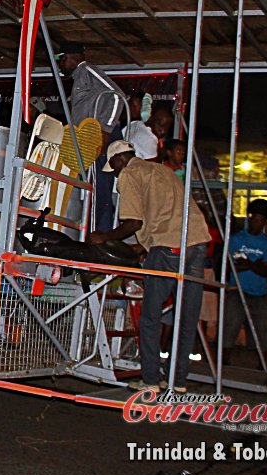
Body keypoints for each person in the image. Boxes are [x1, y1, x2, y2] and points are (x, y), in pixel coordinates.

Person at [88, 139, 210, 393]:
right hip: (197, 242)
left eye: (115, 168)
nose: (117, 174)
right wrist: (144, 246)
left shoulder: (129, 173)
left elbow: (132, 222)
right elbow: (165, 214)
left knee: (150, 318)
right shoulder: (162, 170)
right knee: (186, 318)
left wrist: (104, 236)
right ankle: (177, 381)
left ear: (119, 160)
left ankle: (151, 379)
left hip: (169, 248)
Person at [56, 41, 123, 231]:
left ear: (74, 57)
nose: (60, 64)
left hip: (98, 135)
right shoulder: (79, 78)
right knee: (93, 187)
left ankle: (99, 234)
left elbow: (117, 96)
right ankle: (93, 231)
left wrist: (105, 129)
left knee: (99, 186)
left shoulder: (86, 70)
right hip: (87, 138)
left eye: (62, 59)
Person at [222, 199, 267, 365]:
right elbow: (230, 266)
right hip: (236, 289)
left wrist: (248, 264)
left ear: (265, 222)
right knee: (230, 326)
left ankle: (262, 364)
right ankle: (224, 361)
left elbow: (266, 271)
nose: (256, 222)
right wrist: (255, 264)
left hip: (259, 293)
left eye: (260, 219)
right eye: (254, 218)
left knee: (263, 330)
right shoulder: (236, 239)